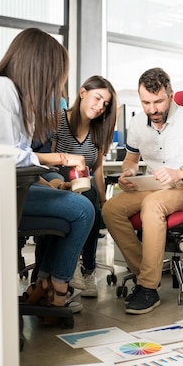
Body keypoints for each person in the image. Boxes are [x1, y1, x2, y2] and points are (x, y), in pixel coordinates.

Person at [0, 28, 95, 310]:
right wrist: (64, 159)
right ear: (40, 67)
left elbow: (17, 163)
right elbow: (11, 157)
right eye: (57, 72)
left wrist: (49, 184)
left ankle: (41, 286)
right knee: (82, 210)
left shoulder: (13, 95)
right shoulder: (1, 89)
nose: (58, 81)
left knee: (75, 210)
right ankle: (56, 293)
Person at [102, 67, 183, 314]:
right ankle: (145, 272)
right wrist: (128, 173)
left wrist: (181, 172)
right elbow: (131, 161)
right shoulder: (136, 123)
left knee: (152, 205)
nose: (152, 109)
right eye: (146, 102)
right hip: (152, 186)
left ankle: (147, 287)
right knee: (111, 208)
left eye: (158, 101)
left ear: (171, 95)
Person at [37, 75, 118, 298]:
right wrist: (59, 183)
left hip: (83, 188)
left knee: (91, 197)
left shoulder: (99, 130)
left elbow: (98, 168)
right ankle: (68, 267)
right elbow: (43, 160)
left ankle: (87, 269)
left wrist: (104, 201)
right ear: (83, 93)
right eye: (97, 98)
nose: (100, 107)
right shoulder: (57, 120)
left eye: (105, 104)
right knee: (84, 200)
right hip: (54, 185)